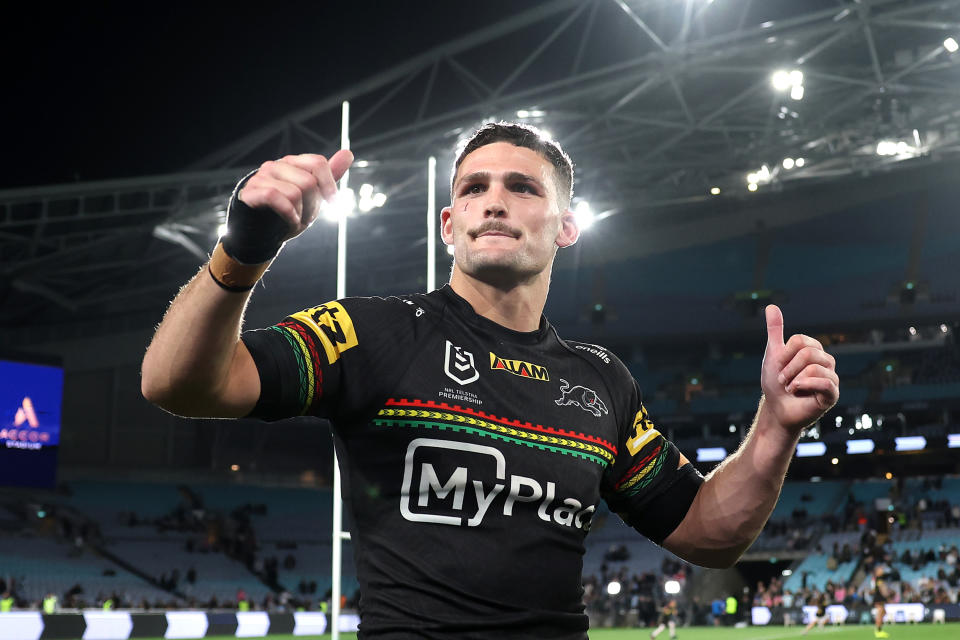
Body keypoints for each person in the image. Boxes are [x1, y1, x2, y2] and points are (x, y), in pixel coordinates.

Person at [141, 122, 840, 639]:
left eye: (522, 187)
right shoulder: (376, 332)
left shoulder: (601, 381)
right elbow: (178, 382)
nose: (494, 201)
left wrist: (776, 427)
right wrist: (243, 251)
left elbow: (706, 533)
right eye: (474, 188)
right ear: (450, 224)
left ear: (566, 227)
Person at [872, 568, 890, 638]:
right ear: (877, 572)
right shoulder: (879, 579)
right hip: (879, 598)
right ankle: (878, 631)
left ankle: (879, 629)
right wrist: (886, 595)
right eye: (880, 570)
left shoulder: (879, 579)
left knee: (883, 612)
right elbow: (881, 588)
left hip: (880, 598)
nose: (882, 570)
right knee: (880, 614)